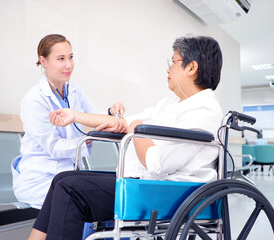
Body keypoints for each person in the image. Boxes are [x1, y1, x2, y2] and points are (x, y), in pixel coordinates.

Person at [28, 35, 224, 240]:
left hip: (169, 193)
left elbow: (155, 162)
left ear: (191, 68)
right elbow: (125, 122)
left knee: (70, 190)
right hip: (148, 184)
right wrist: (75, 115)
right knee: (63, 178)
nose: (168, 69)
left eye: (173, 62)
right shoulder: (173, 103)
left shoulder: (203, 109)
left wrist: (136, 130)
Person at [11, 34, 125, 209]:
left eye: (71, 57)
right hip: (39, 179)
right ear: (44, 61)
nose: (69, 65)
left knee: (98, 196)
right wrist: (88, 139)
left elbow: (93, 116)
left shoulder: (74, 91)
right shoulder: (34, 100)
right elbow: (55, 148)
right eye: (61, 59)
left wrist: (110, 112)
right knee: (80, 203)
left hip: (65, 175)